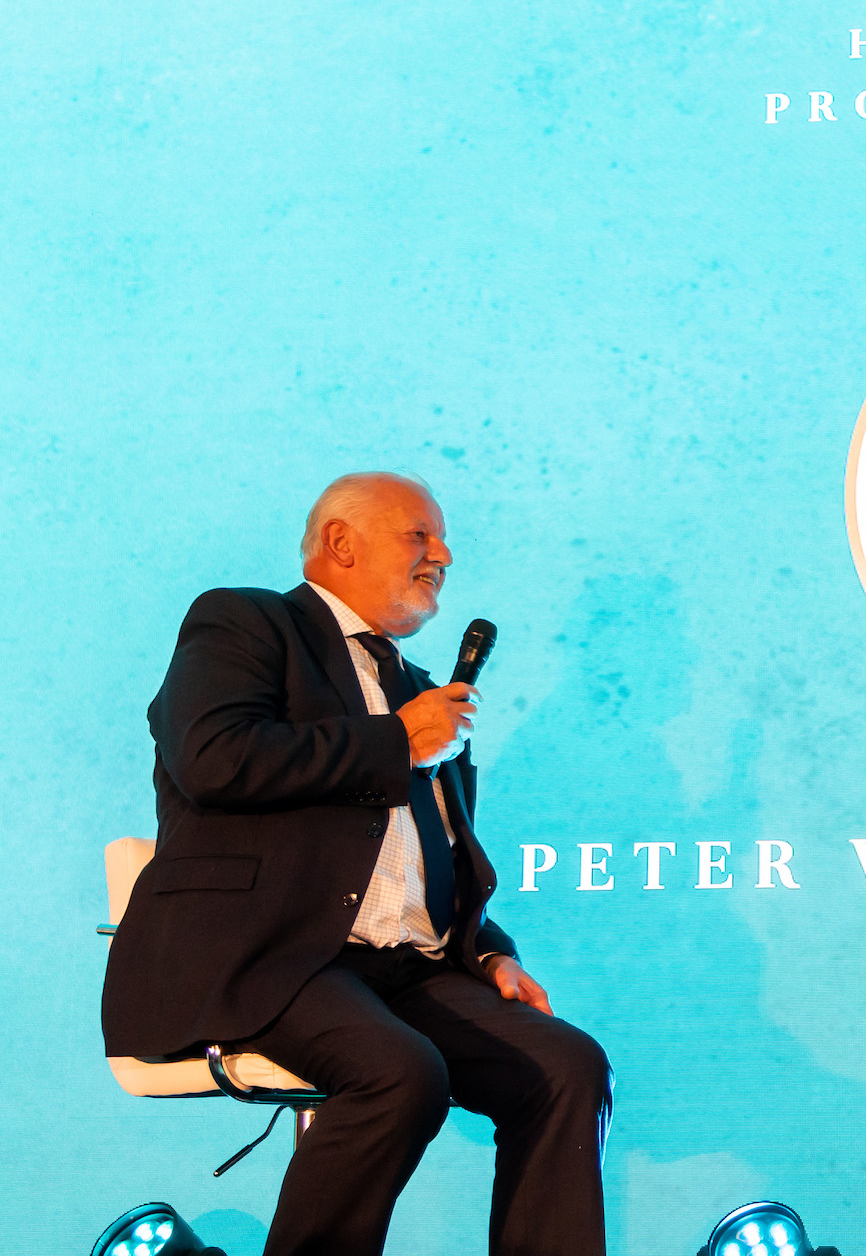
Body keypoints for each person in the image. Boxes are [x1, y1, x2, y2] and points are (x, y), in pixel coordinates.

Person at [102, 472, 611, 1256]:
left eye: (443, 539)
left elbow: (434, 862)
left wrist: (488, 951)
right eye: (420, 534)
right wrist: (397, 741)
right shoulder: (246, 623)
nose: (443, 554)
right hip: (270, 953)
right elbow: (213, 758)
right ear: (342, 542)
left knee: (566, 1066)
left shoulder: (419, 692)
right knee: (399, 1072)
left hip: (405, 968)